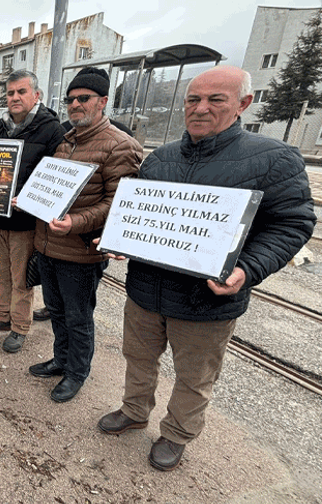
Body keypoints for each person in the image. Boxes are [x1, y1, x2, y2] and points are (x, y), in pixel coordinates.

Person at [97, 65, 315, 471]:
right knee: (138, 357)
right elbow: (142, 216)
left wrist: (247, 269)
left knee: (195, 376)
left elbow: (293, 223)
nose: (200, 108)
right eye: (193, 99)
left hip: (206, 300)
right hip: (146, 291)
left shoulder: (273, 159)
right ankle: (134, 410)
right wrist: (122, 241)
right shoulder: (160, 159)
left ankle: (177, 433)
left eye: (216, 99)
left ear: (243, 104)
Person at [25, 67, 142, 403]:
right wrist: (28, 200)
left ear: (103, 101)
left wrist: (75, 223)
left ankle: (77, 372)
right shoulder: (66, 141)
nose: (75, 104)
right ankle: (61, 360)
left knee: (78, 316)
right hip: (49, 246)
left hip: (79, 252)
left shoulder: (121, 146)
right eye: (71, 99)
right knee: (56, 311)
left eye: (84, 98)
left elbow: (119, 204)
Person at [0, 70, 65, 354]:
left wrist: (28, 197)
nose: (14, 98)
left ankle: (20, 326)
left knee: (20, 277)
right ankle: (2, 316)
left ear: (36, 95)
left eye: (21, 92)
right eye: (10, 93)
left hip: (25, 222)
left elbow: (54, 179)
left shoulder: (52, 131)